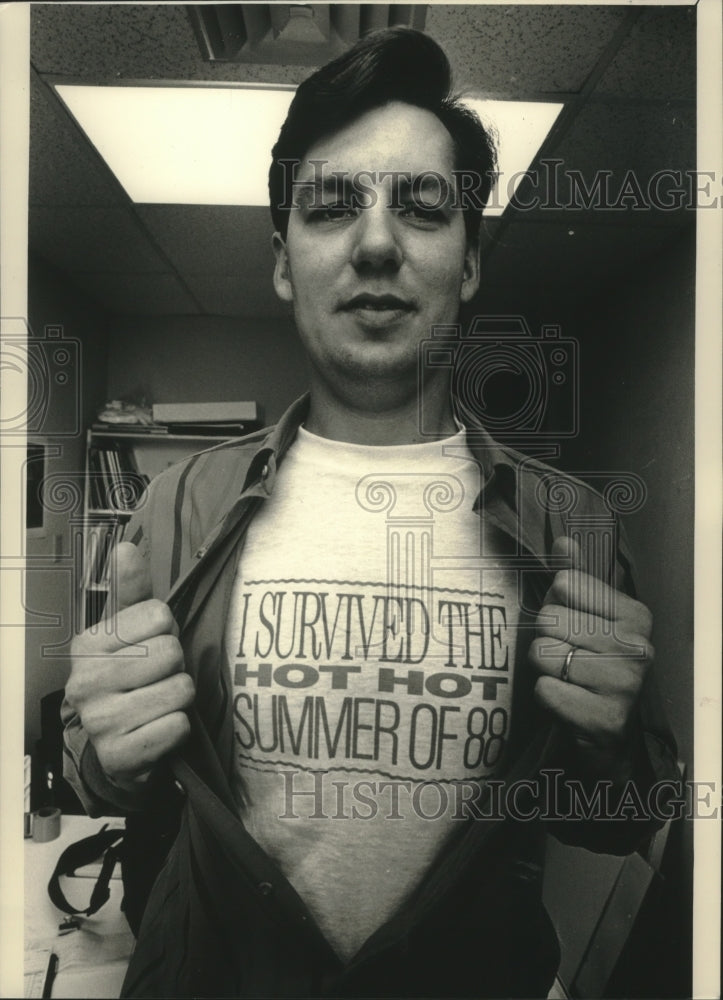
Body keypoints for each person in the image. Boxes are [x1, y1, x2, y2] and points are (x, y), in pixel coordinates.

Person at [62, 27, 677, 999]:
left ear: (469, 261)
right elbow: (95, 771)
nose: (378, 242)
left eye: (424, 208)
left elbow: (623, 812)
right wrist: (101, 752)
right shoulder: (179, 505)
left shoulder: (575, 528)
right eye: (333, 206)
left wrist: (620, 743)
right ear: (282, 260)